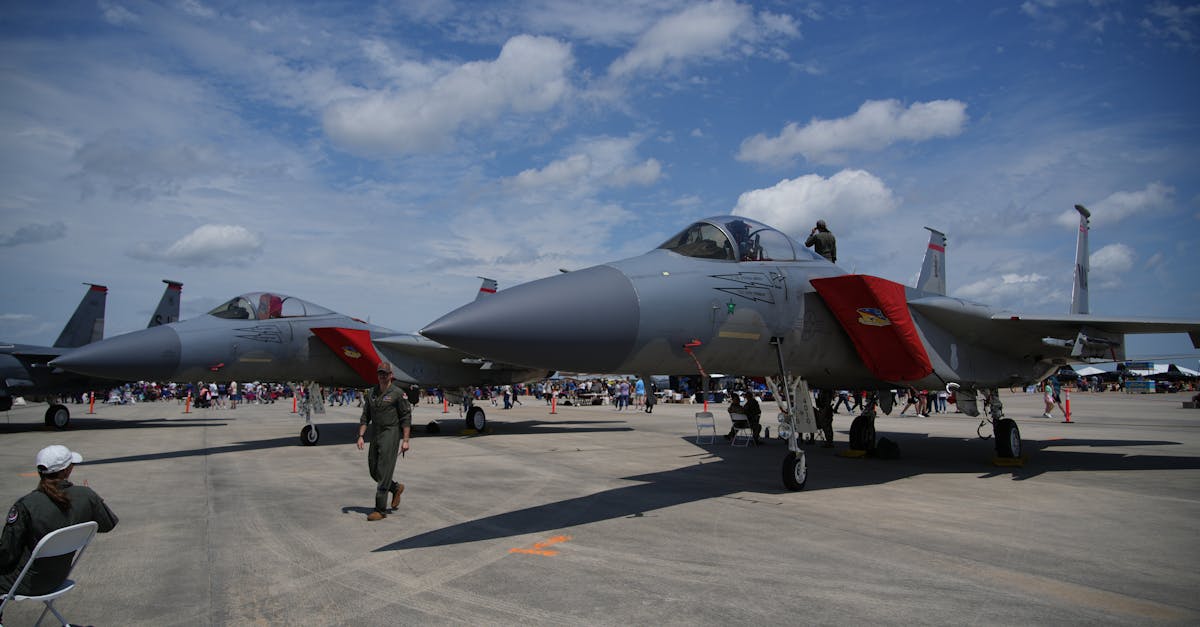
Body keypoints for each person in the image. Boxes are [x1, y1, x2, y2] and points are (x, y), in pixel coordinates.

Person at [1, 445, 118, 598]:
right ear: (66, 471)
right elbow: (107, 525)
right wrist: (90, 499)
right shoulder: (86, 495)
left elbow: (6, 555)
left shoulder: (26, 505)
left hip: (28, 582)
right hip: (59, 578)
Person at [357, 361, 412, 521]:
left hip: (391, 432)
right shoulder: (372, 393)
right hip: (376, 432)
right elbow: (365, 415)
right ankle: (395, 488)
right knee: (374, 470)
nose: (382, 376)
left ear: (391, 375)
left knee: (384, 469)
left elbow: (406, 417)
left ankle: (380, 509)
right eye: (380, 373)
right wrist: (361, 435)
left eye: (385, 373)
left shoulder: (397, 393)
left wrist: (406, 440)